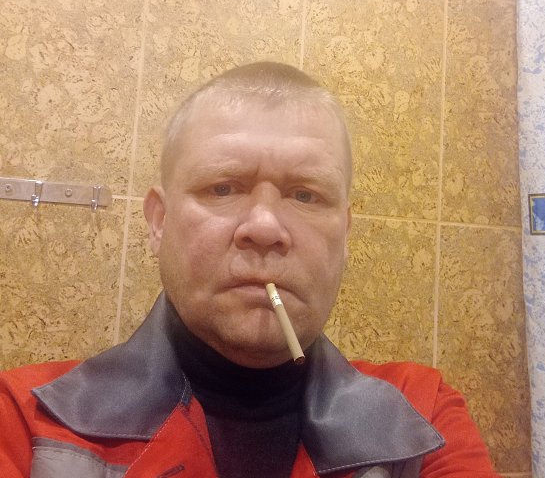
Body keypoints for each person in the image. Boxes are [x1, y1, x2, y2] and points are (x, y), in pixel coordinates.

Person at [0, 62, 499, 477]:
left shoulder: (422, 421)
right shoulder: (25, 423)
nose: (264, 226)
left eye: (305, 195)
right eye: (223, 188)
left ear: (345, 234)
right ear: (159, 221)